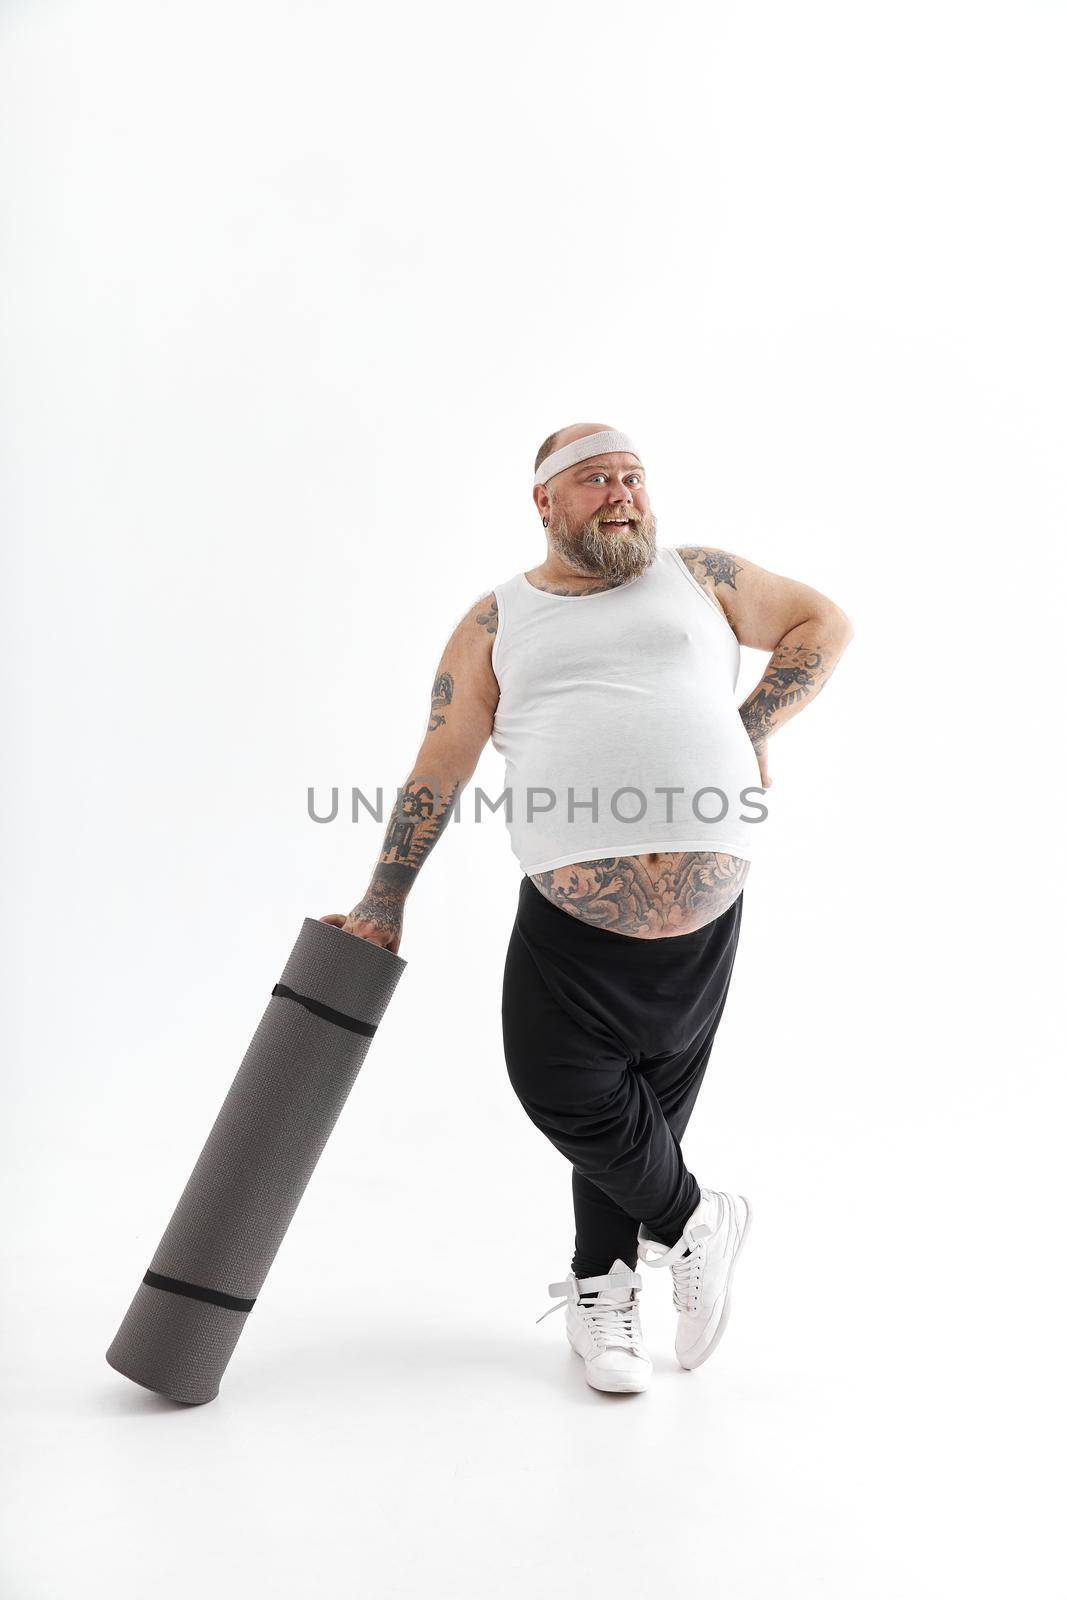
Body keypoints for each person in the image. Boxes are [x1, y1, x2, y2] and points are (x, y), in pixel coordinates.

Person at [322, 422, 854, 1395]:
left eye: (634, 475)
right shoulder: (496, 621)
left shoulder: (700, 574)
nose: (622, 491)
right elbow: (438, 768)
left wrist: (753, 721)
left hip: (703, 924)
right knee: (559, 1088)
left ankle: (602, 1297)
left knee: (636, 1123)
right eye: (595, 477)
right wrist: (382, 896)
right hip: (571, 923)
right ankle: (699, 1220)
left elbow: (822, 622)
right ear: (545, 502)